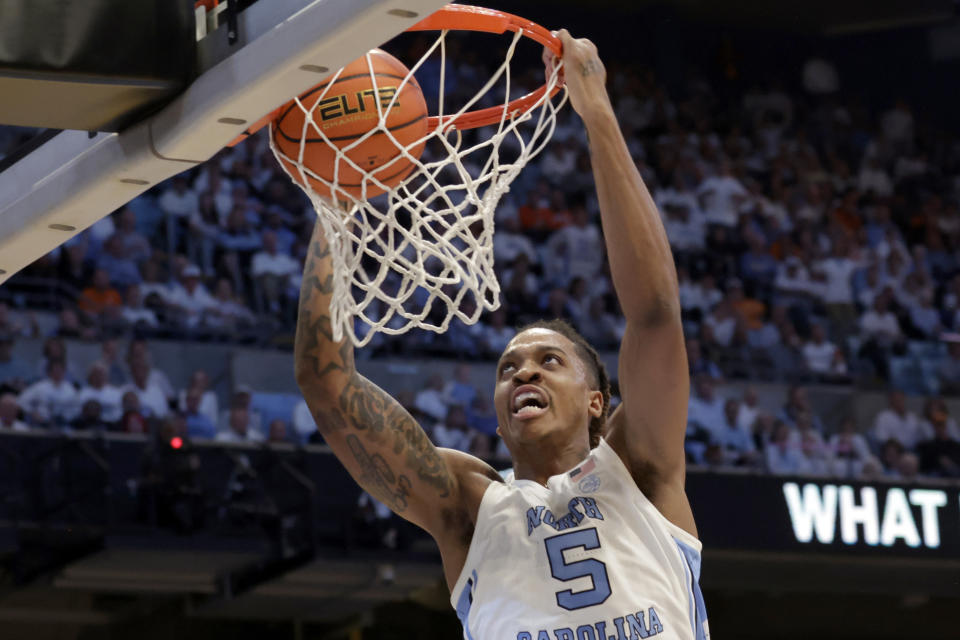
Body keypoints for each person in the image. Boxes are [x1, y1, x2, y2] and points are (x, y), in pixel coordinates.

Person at [294, 33, 706, 640]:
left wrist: (597, 115)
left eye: (549, 361)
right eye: (508, 368)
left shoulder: (639, 467)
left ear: (599, 402)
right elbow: (326, 381)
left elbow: (655, 313)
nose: (524, 373)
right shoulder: (469, 505)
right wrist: (338, 199)